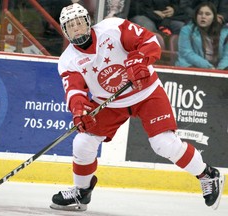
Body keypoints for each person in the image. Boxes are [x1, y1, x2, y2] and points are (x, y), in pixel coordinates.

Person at [49, 3, 225, 212]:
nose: (77, 29)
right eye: (71, 26)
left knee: (164, 144)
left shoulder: (112, 28)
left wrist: (140, 60)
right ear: (64, 30)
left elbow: (148, 41)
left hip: (146, 92)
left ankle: (208, 175)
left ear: (88, 22)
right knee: (83, 142)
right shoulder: (68, 60)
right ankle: (81, 192)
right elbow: (75, 92)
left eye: (80, 23)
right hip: (110, 103)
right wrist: (79, 111)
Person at [175, 2, 228, 70]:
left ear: (214, 18)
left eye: (207, 14)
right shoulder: (186, 30)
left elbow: (227, 56)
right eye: (200, 14)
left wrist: (220, 69)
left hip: (217, 70)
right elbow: (186, 53)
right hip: (192, 67)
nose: (203, 16)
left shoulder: (225, 33)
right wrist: (209, 67)